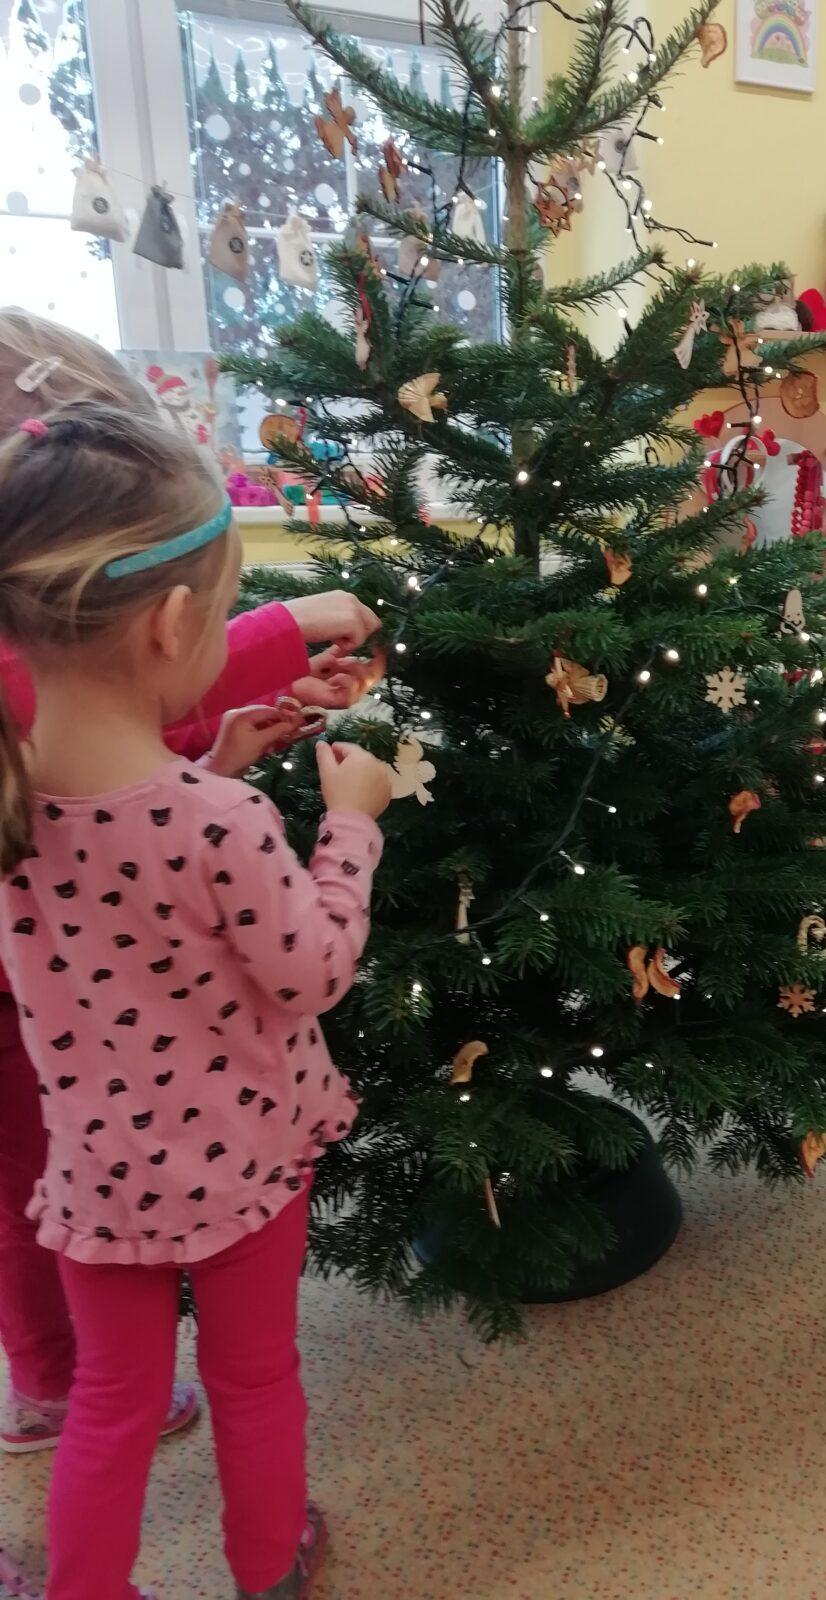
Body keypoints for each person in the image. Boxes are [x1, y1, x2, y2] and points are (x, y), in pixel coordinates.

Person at [0, 313, 383, 1599]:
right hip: (241, 1169)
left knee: (111, 1404)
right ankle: (267, 1567)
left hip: (96, 1186)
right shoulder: (218, 823)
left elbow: (122, 891)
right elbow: (310, 968)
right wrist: (352, 826)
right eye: (225, 614)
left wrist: (215, 756)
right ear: (171, 624)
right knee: (255, 1377)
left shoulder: (16, 804)